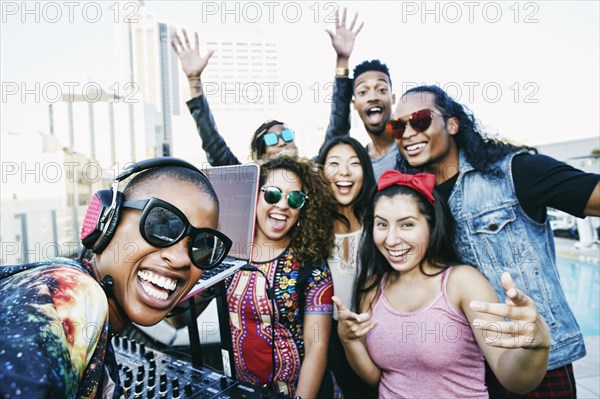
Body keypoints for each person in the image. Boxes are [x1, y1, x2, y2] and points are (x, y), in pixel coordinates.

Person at [390, 85, 600, 397]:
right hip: (461, 369)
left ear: (452, 124)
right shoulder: (415, 201)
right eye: (398, 126)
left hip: (535, 358)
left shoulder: (515, 173)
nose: (407, 133)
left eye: (419, 120)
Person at [0, 158, 232, 398]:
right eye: (162, 226)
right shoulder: (74, 295)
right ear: (107, 222)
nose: (182, 259)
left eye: (203, 245)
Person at [334, 170, 551, 398]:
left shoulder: (462, 283)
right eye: (381, 225)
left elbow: (514, 380)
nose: (391, 239)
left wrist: (535, 346)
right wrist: (349, 341)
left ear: (432, 225)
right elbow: (379, 377)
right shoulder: (372, 288)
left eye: (407, 225)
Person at [222, 155, 337, 397]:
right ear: (255, 196)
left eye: (294, 199)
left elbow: (317, 346)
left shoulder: (312, 265)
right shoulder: (229, 254)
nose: (283, 206)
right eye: (272, 194)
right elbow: (182, 316)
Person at [171, 30, 298, 166]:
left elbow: (325, 145)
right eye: (272, 139)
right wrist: (194, 79)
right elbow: (215, 148)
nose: (282, 143)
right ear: (261, 152)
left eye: (287, 136)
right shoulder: (250, 180)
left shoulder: (316, 176)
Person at [316, 136, 378, 398]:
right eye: (334, 164)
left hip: (377, 330)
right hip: (332, 337)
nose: (344, 171)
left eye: (354, 163)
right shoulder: (311, 226)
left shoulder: (380, 219)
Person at [323, 8, 398, 179]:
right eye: (363, 92)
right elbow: (336, 137)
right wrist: (342, 61)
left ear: (392, 98)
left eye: (381, 90)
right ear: (354, 104)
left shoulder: (411, 144)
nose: (372, 97)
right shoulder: (360, 163)